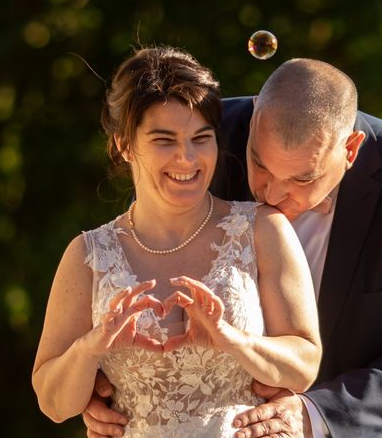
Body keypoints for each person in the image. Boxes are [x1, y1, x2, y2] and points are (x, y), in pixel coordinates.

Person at [83, 57, 382, 438]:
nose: (273, 194)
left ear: (350, 150)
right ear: (253, 122)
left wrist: (316, 415)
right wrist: (105, 380)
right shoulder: (201, 137)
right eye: (261, 164)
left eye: (303, 178)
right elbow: (141, 256)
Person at [32, 47, 322, 437]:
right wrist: (92, 347)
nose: (187, 159)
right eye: (164, 140)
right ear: (124, 144)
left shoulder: (262, 229)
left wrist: (233, 340)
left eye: (201, 138)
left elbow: (304, 367)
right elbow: (53, 405)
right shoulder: (89, 255)